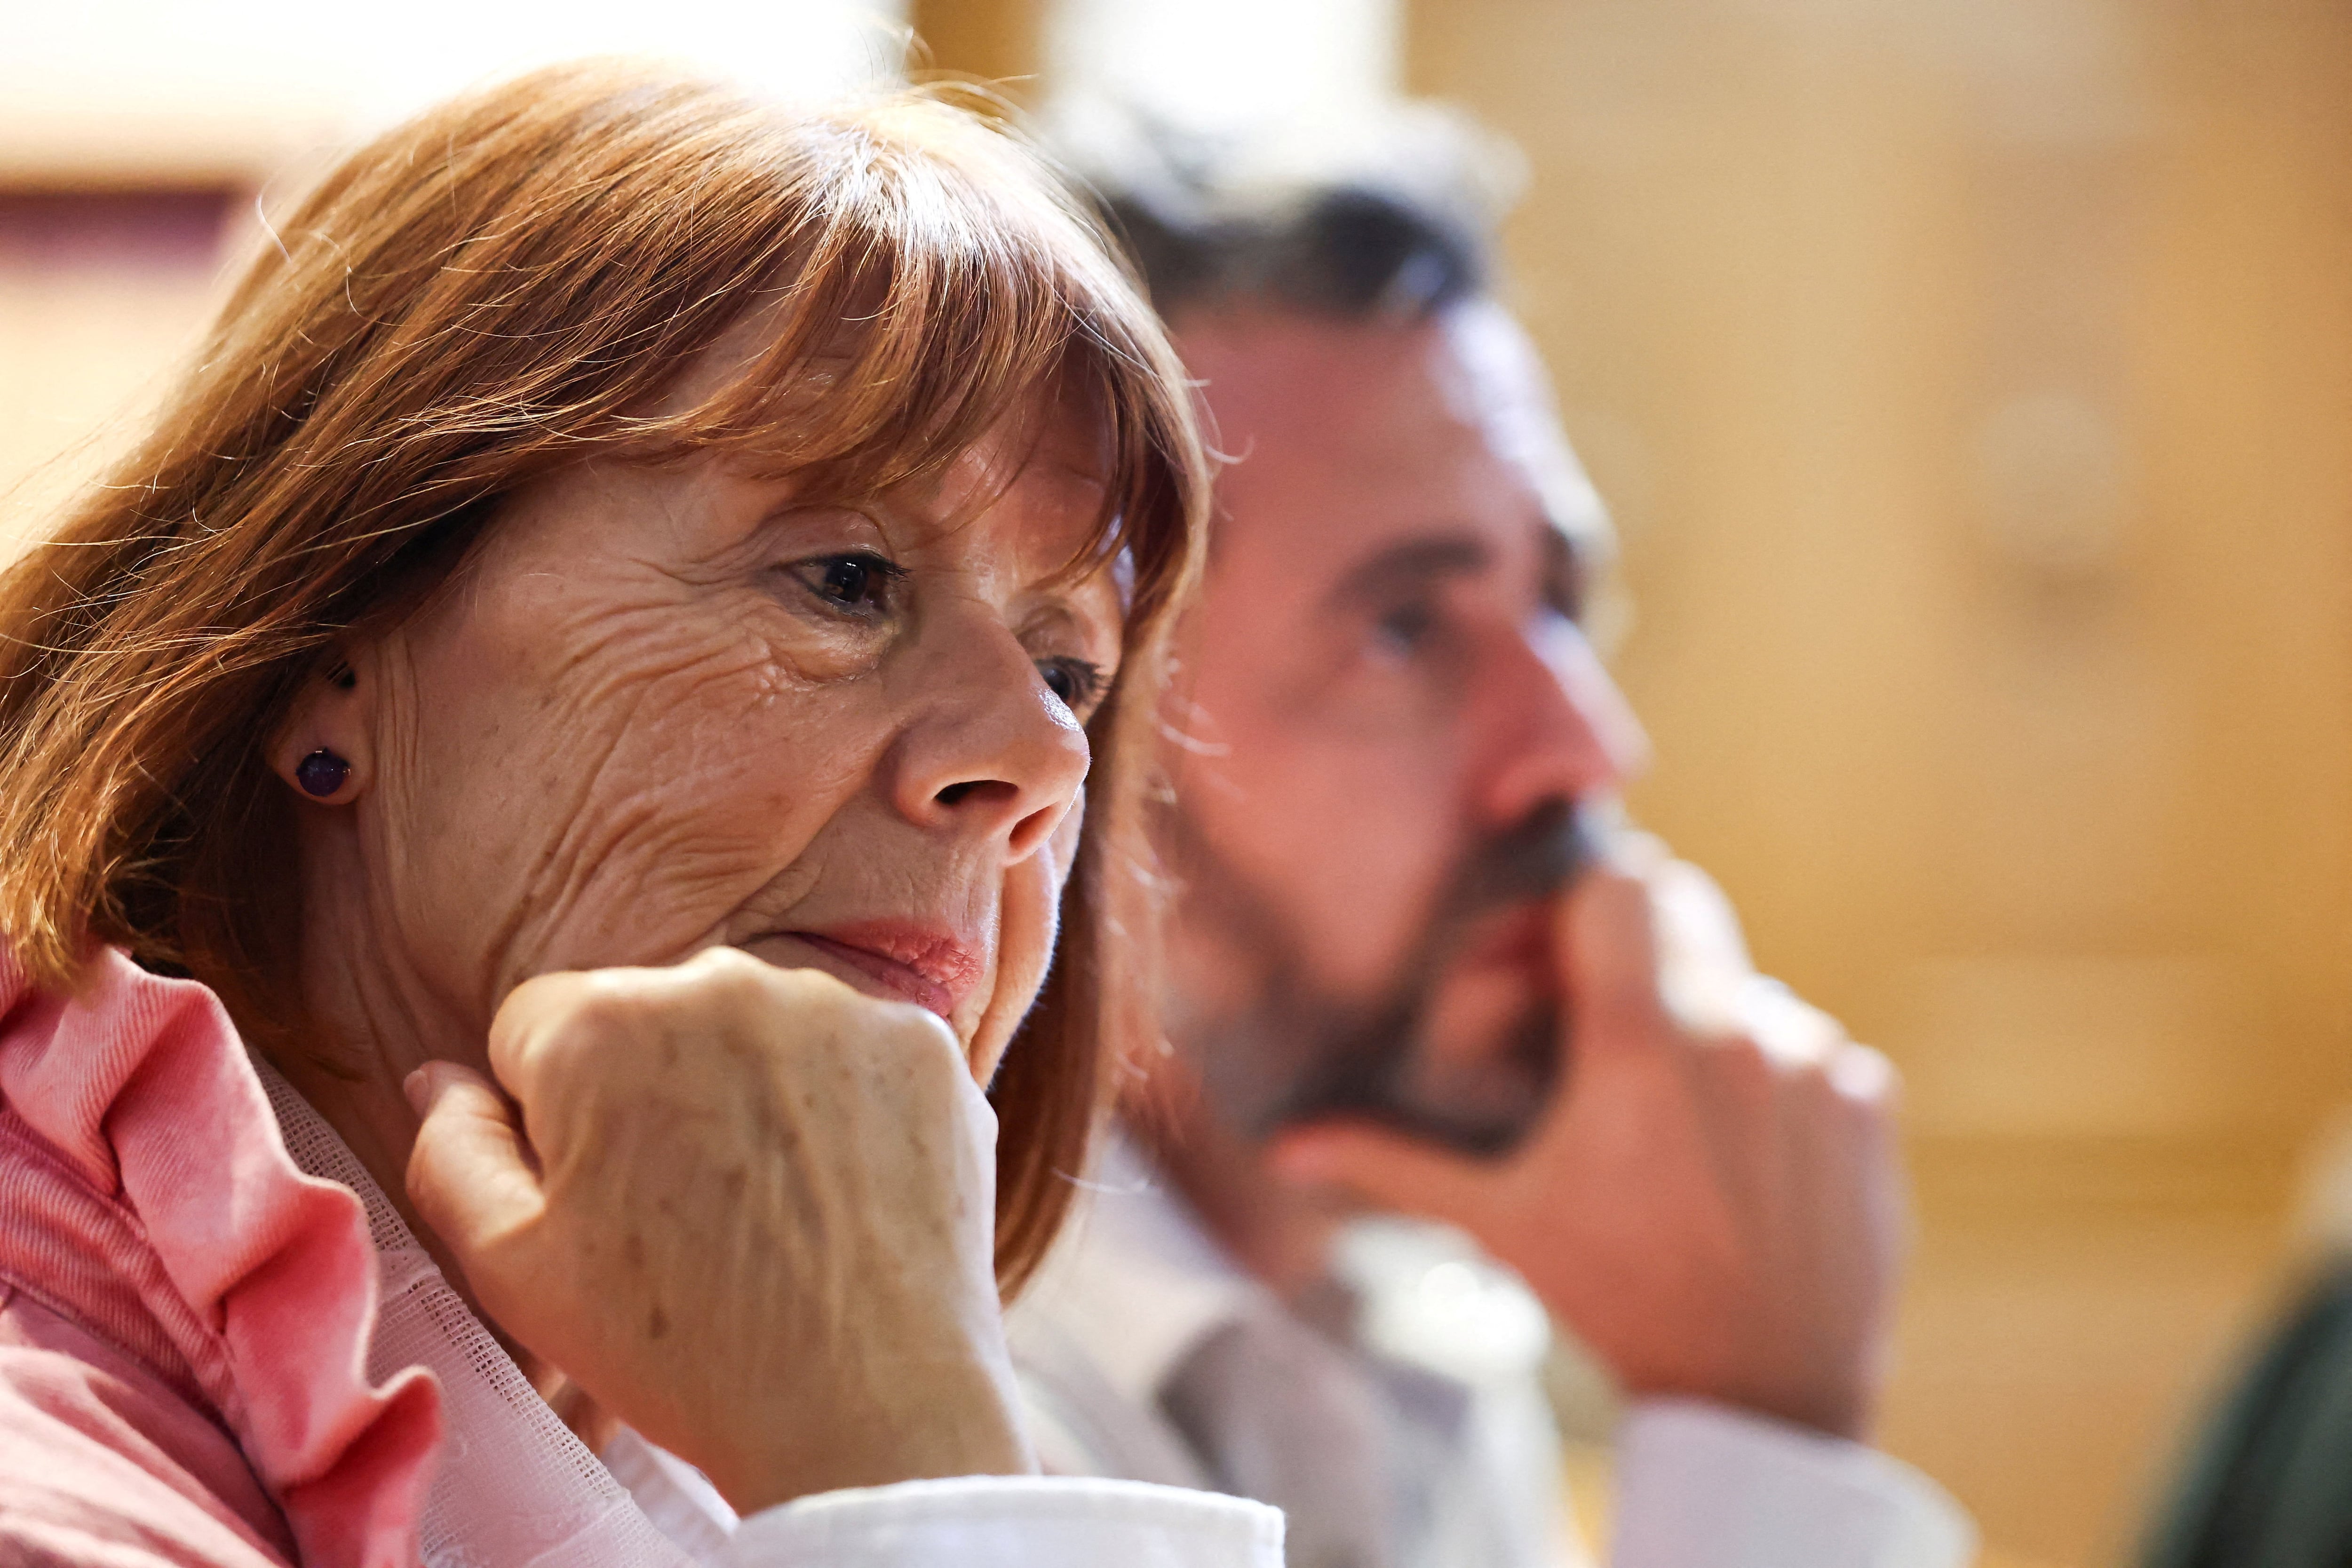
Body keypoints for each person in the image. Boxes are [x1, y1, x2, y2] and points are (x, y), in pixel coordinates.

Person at [0, 62, 1288, 1568]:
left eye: (1070, 668)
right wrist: (914, 1485)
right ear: (327, 640)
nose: (1041, 758)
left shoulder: (838, 1418)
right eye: (849, 580)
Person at [1006, 110, 1975, 1566]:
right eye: (1404, 628)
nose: (1585, 748)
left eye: (1560, 603)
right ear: (1065, 733)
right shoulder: (934, 1434)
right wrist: (1758, 1437)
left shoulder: (1420, 1339)